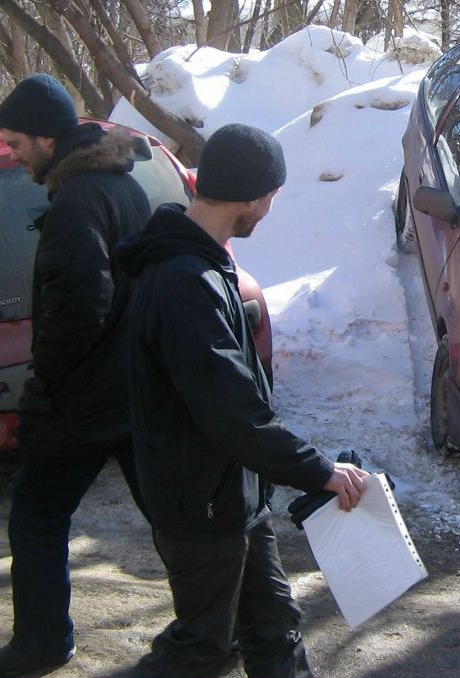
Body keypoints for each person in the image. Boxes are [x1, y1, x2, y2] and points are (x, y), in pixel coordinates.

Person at [115, 123, 367, 678]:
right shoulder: (183, 280)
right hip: (200, 504)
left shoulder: (203, 261)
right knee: (203, 649)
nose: (271, 209)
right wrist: (317, 470)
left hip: (233, 495)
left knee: (274, 626)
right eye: (272, 196)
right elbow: (230, 411)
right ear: (251, 197)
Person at [0, 74, 152, 677]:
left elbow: (79, 308)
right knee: (177, 520)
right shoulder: (122, 184)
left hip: (84, 398)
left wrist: (46, 389)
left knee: (36, 514)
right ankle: (225, 629)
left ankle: (41, 645)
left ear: (46, 138)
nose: (14, 154)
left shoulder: (76, 203)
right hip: (131, 388)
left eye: (16, 143)